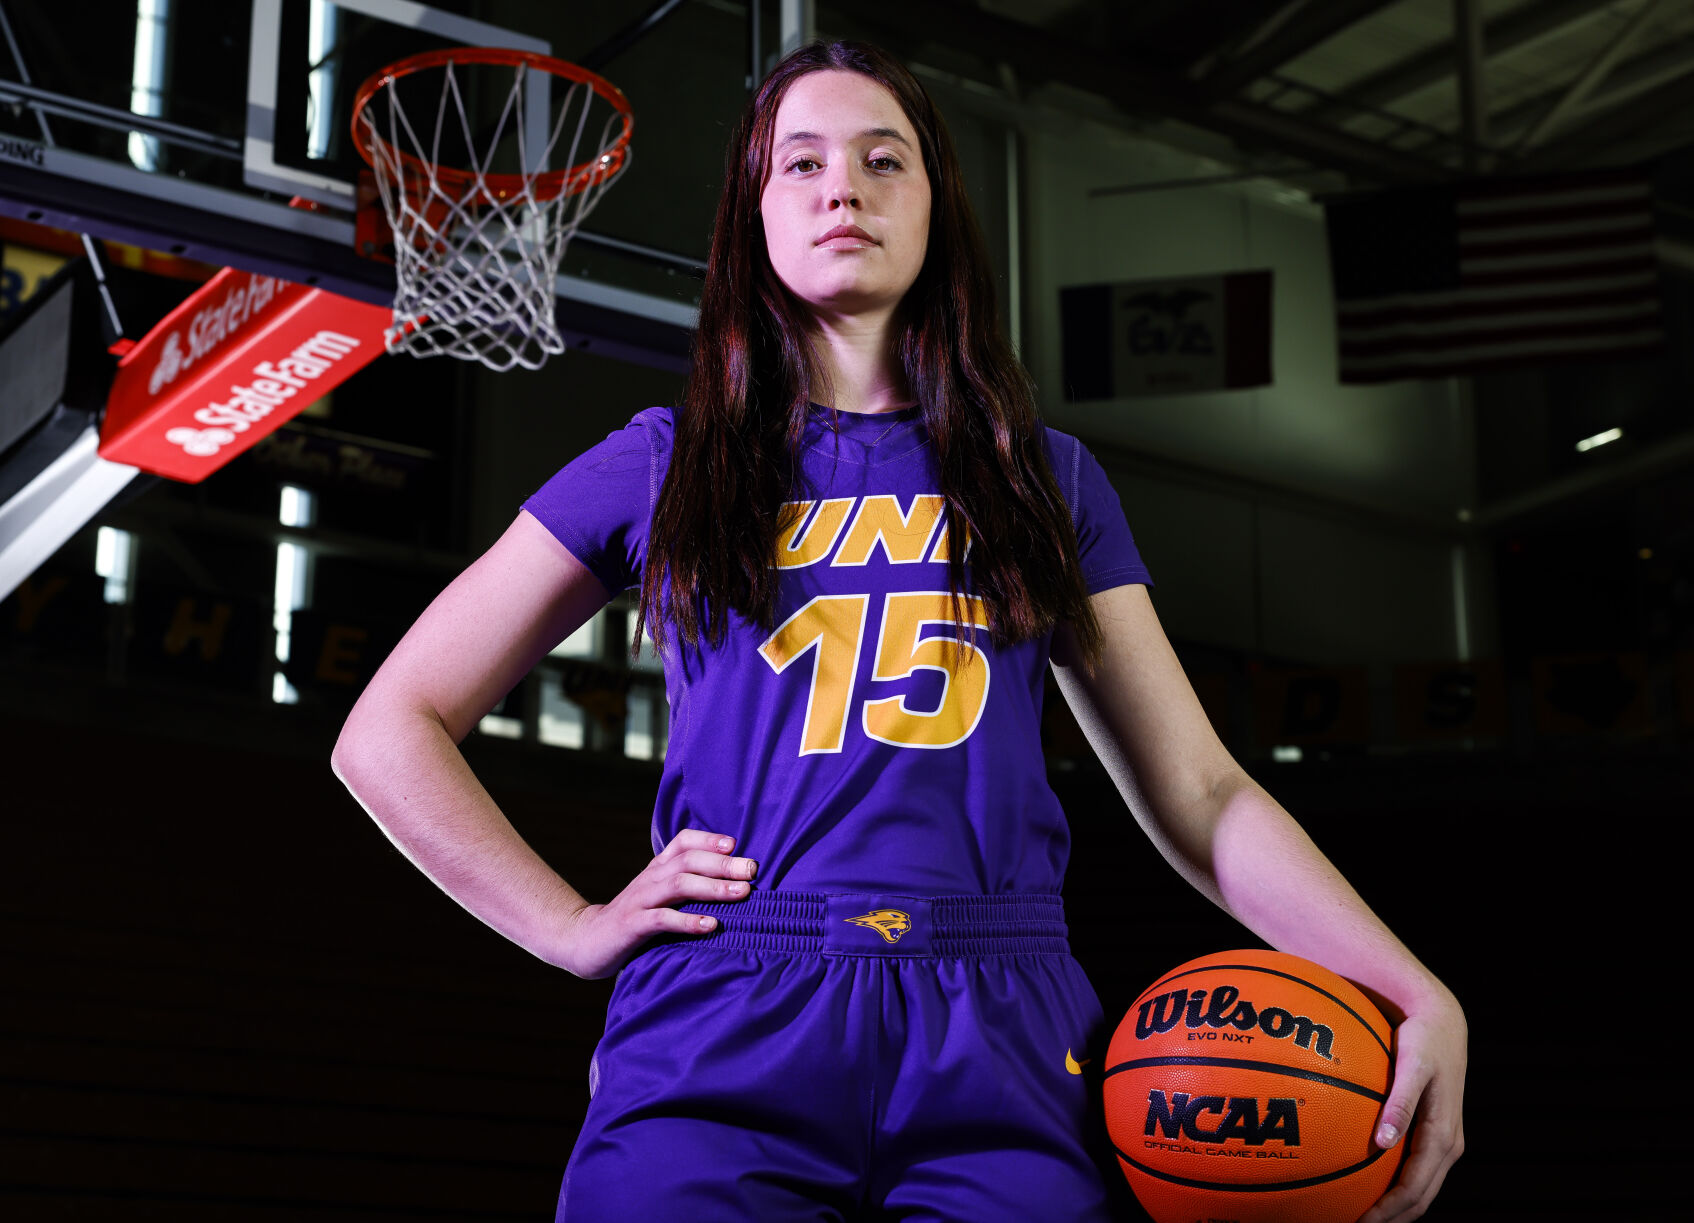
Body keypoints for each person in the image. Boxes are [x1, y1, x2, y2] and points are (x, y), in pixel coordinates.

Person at [331, 40, 1466, 1223]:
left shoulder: (1043, 479)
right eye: (800, 163)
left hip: (1001, 1012)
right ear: (753, 214)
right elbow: (390, 726)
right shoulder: (663, 462)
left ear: (936, 206)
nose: (843, 189)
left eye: (884, 160)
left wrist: (1409, 985)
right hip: (729, 993)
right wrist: (567, 926)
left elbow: (1201, 792)